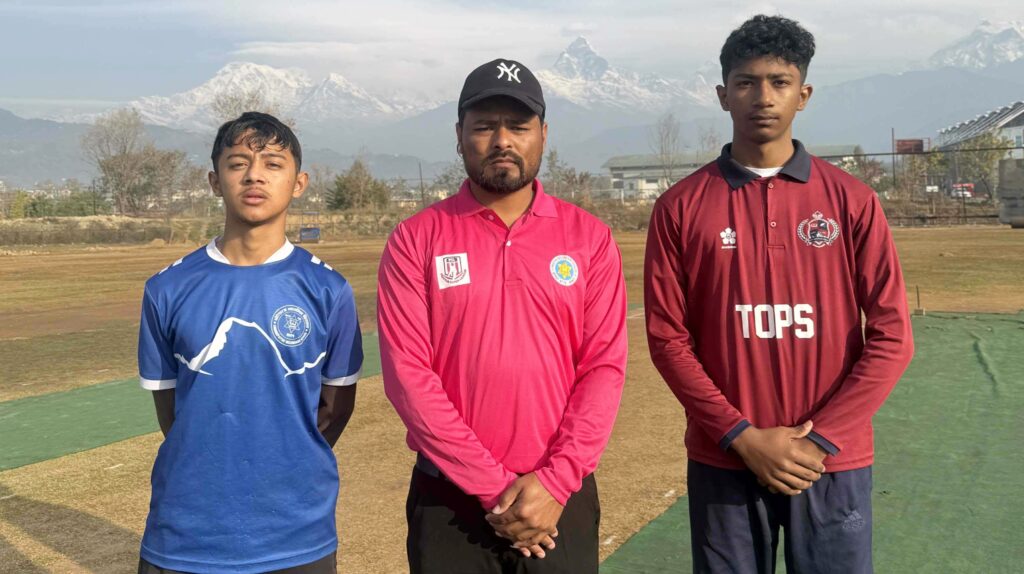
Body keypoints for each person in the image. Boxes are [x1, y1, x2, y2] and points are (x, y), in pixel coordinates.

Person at [644, 15, 914, 574]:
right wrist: (740, 435)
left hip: (831, 461)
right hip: (726, 458)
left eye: (779, 82)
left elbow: (892, 337)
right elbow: (668, 340)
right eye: (746, 82)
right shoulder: (681, 206)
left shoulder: (852, 201)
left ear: (803, 94)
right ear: (723, 95)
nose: (762, 97)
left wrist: (822, 439)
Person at [377, 58, 628, 573]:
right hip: (449, 500)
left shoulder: (589, 238)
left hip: (559, 498)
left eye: (518, 125)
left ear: (543, 135)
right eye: (484, 126)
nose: (502, 140)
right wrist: (493, 488)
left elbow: (603, 368)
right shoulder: (415, 239)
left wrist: (555, 482)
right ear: (459, 136)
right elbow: (408, 376)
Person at [136, 112, 363, 574]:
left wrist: (286, 460)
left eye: (273, 164)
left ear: (299, 183)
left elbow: (335, 409)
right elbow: (172, 413)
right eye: (238, 163)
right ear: (214, 181)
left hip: (297, 534)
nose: (254, 175)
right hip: (185, 534)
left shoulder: (329, 290)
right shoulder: (166, 289)